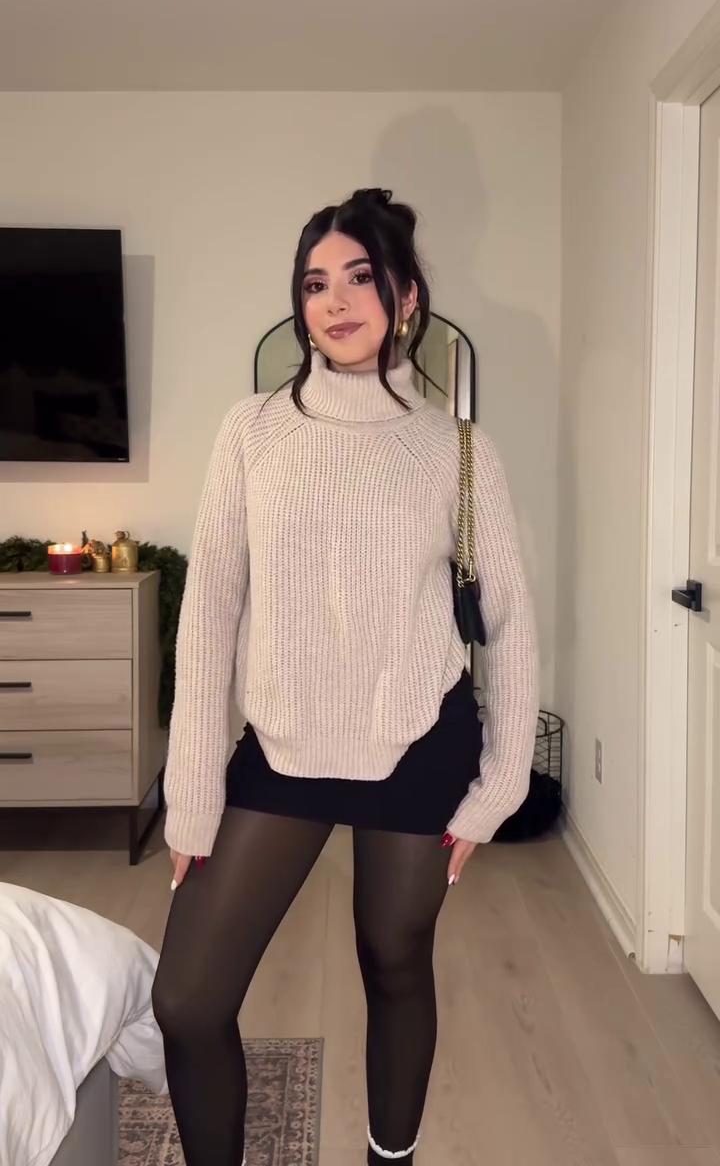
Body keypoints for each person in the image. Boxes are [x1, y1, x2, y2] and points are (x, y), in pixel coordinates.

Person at [152, 187, 538, 1166]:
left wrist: (501, 782)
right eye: (314, 282)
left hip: (418, 742)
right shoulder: (252, 431)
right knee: (188, 998)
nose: (334, 300)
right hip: (282, 743)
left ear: (405, 297)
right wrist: (192, 793)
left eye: (359, 277)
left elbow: (508, 620)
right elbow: (209, 615)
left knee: (394, 960)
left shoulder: (455, 448)